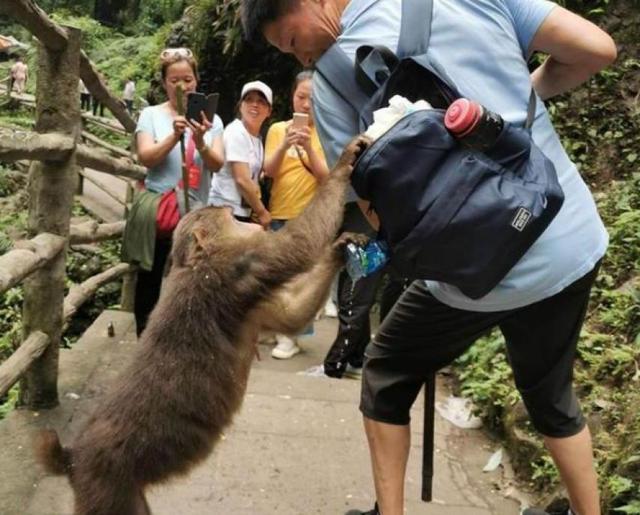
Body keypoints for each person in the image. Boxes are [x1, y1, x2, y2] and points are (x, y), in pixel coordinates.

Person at [242, 1, 617, 514]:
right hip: (564, 239)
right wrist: (516, 103)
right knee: (550, 395)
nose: (299, 56)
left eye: (289, 39)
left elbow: (367, 204)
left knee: (386, 372)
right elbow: (597, 49)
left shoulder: (331, 77)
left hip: (471, 272)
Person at [132, 47, 224, 335]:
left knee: (191, 280)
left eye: (187, 78)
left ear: (196, 80)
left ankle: (180, 338)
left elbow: (217, 164)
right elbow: (145, 157)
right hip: (162, 211)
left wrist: (201, 139)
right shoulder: (150, 115)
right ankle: (144, 340)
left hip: (196, 216)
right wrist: (174, 136)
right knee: (150, 278)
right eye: (174, 80)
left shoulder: (213, 121)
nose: (182, 86)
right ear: (164, 83)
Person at [262, 70, 330, 359]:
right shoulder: (278, 129)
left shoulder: (327, 133)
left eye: (312, 100)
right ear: (292, 96)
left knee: (303, 281)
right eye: (301, 97)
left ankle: (291, 336)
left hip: (311, 219)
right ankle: (283, 332)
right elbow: (269, 171)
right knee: (278, 278)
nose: (305, 104)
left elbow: (327, 178)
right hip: (280, 213)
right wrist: (287, 144)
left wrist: (307, 149)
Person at [208, 80, 273, 228]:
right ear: (240, 105)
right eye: (248, 99)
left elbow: (252, 176)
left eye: (261, 101)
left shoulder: (257, 138)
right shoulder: (236, 132)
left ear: (269, 111)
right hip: (224, 212)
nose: (254, 105)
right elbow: (242, 179)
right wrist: (262, 212)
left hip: (241, 212)